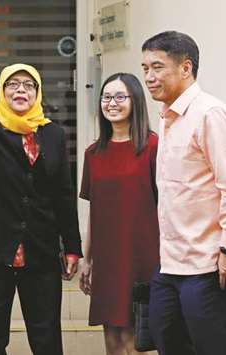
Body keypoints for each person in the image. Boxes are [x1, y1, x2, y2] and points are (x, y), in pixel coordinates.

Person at [0, 34, 83, 355]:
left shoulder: (52, 134)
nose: (21, 90)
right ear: (2, 92)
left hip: (41, 251)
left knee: (46, 337)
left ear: (37, 93)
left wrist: (72, 247)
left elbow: (63, 194)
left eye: (28, 85)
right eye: (13, 84)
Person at [141, 31, 226, 355]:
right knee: (165, 340)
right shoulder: (168, 116)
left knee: (211, 347)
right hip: (172, 263)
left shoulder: (209, 114)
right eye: (145, 68)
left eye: (157, 67)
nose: (149, 77)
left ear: (186, 68)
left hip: (209, 263)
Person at [79, 73, 159, 355]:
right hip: (107, 259)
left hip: (144, 257)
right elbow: (94, 211)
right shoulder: (93, 153)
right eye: (106, 97)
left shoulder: (153, 147)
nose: (111, 103)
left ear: (135, 101)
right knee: (113, 340)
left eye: (119, 97)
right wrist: (87, 260)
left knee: (139, 342)